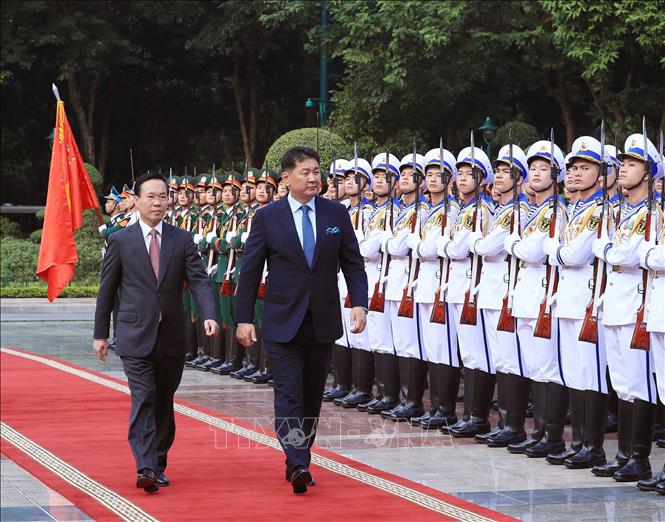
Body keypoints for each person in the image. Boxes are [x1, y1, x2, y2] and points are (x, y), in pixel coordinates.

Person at [235, 146, 368, 494]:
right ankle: (298, 462)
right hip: (282, 320)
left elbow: (353, 263)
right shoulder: (267, 217)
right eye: (305, 172)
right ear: (286, 178)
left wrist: (360, 304)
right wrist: (243, 318)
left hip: (322, 320)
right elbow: (250, 272)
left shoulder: (335, 214)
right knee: (289, 394)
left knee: (311, 396)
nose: (313, 178)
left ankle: (298, 454)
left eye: (316, 172)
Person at [93, 171, 219, 493]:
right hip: (134, 335)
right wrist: (101, 333)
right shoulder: (120, 240)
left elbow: (200, 280)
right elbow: (107, 290)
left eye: (163, 196)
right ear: (137, 200)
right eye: (151, 196)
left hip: (172, 336)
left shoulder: (181, 239)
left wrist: (209, 313)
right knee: (144, 397)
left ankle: (158, 460)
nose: (158, 202)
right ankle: (145, 466)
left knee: (163, 399)